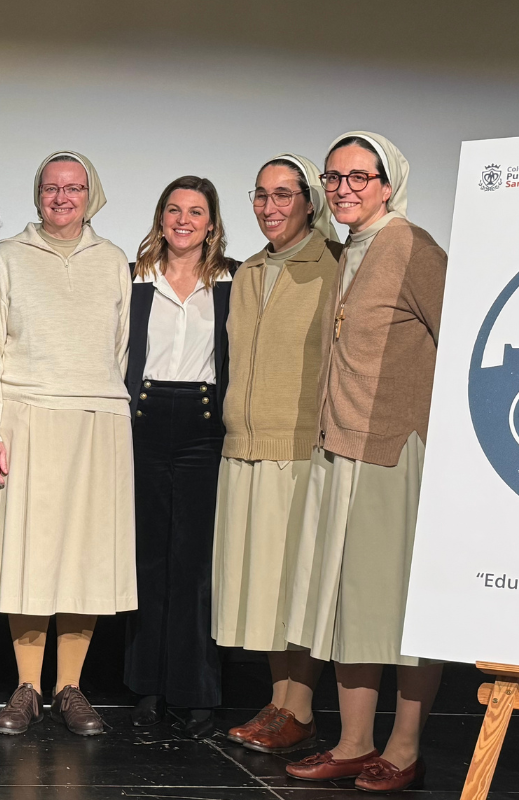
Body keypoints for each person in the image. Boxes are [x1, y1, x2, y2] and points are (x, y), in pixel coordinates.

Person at [282, 132, 446, 794]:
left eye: (358, 177)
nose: (343, 188)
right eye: (334, 177)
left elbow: (462, 339)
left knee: (400, 607)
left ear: (387, 183)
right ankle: (354, 742)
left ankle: (403, 749)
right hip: (340, 447)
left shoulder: (412, 246)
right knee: (348, 603)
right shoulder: (353, 247)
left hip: (391, 450)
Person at [0, 151, 135, 737]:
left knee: (83, 557)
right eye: (51, 188)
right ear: (38, 196)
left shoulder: (112, 262)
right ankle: (28, 686)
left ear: (91, 193)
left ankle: (69, 688)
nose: (62, 197)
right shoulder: (8, 258)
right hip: (26, 420)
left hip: (95, 422)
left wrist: (102, 404)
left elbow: (120, 348)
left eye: (74, 187)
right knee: (27, 558)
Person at [211, 154, 341, 753]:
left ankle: (302, 707)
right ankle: (278, 702)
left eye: (283, 195)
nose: (270, 207)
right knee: (263, 584)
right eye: (261, 195)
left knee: (296, 584)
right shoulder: (249, 272)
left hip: (300, 448)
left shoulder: (332, 266)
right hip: (245, 444)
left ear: (309, 202)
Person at [122, 176, 235, 739]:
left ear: (212, 222)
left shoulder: (235, 280)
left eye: (196, 212)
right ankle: (147, 689)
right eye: (174, 210)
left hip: (204, 424)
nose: (184, 220)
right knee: (148, 560)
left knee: (194, 563)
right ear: (160, 217)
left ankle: (198, 693)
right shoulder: (134, 279)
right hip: (142, 420)